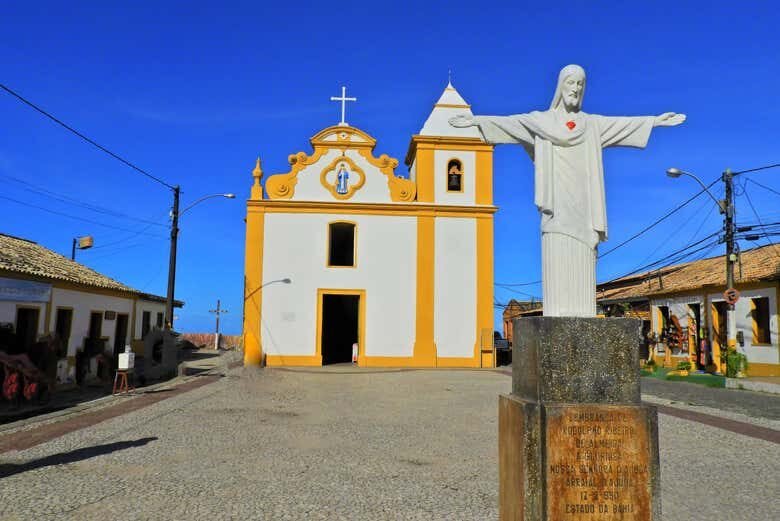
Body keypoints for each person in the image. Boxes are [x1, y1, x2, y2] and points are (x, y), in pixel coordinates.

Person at [450, 64, 685, 316]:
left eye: (580, 84)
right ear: (560, 86)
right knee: (557, 243)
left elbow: (622, 125)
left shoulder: (591, 125)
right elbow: (509, 124)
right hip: (557, 202)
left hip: (584, 201)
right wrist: (476, 121)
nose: (575, 88)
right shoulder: (541, 121)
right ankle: (558, 309)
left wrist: (654, 122)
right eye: (571, 83)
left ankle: (583, 309)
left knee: (584, 250)